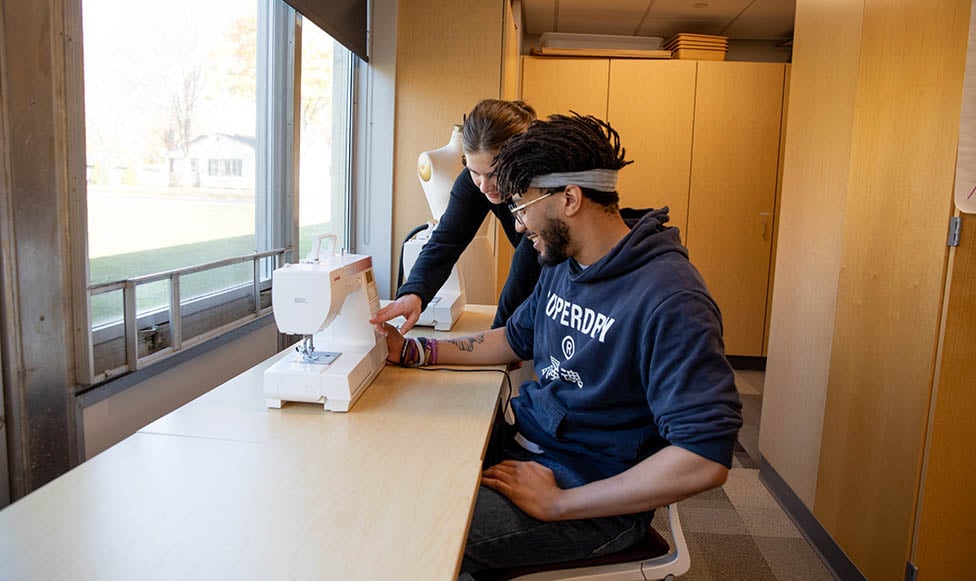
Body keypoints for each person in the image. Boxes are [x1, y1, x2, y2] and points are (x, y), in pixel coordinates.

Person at [374, 113, 743, 576]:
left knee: (419, 530)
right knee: (396, 477)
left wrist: (559, 504)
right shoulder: (564, 267)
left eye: (522, 208)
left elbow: (704, 457)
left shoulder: (670, 299)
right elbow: (512, 338)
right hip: (528, 450)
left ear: (569, 199)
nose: (520, 226)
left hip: (588, 495)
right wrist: (415, 352)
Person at [372, 99, 541, 333]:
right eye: (475, 173)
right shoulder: (474, 185)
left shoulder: (544, 188)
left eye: (495, 174)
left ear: (523, 160)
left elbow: (528, 261)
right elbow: (445, 240)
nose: (483, 186)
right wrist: (414, 292)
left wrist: (500, 332)